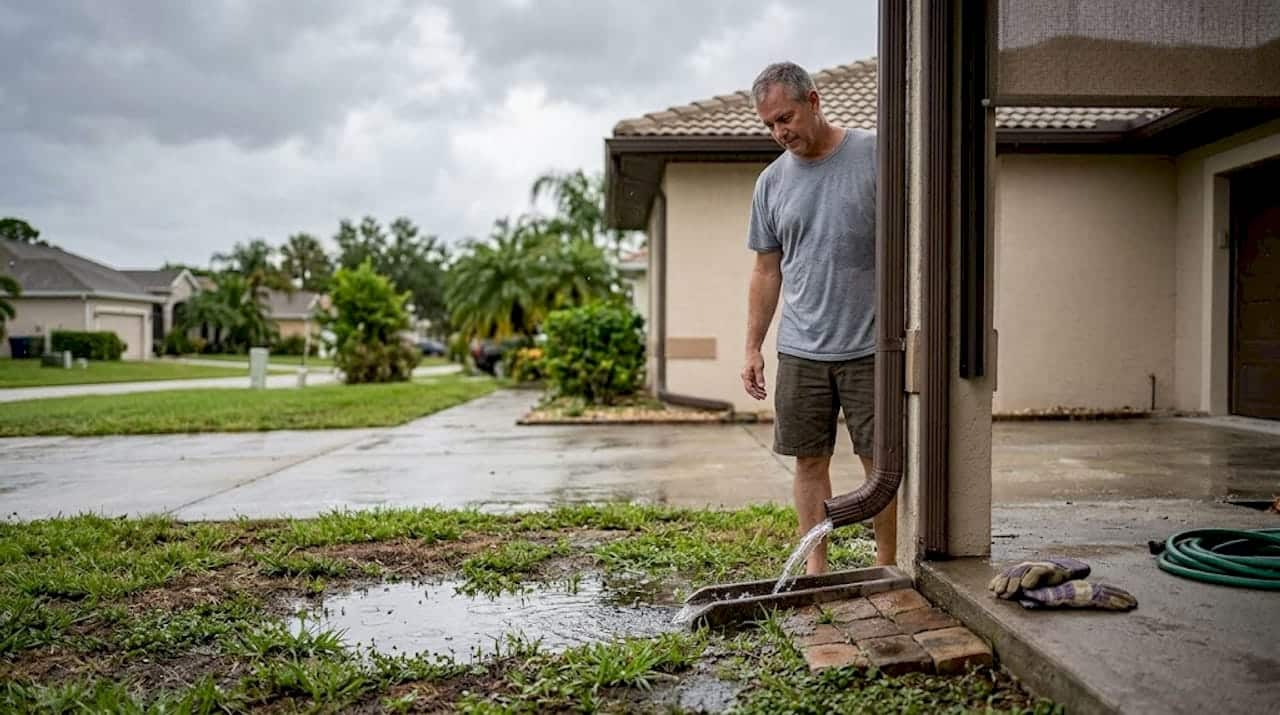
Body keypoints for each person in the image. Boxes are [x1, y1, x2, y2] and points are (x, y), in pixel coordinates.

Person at [741, 61, 896, 574]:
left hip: (872, 347)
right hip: (802, 349)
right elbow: (767, 271)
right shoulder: (771, 183)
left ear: (814, 100)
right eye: (769, 125)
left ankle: (888, 565)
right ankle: (816, 571)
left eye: (785, 117)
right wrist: (752, 348)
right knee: (809, 462)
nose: (780, 132)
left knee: (881, 467)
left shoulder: (876, 155)